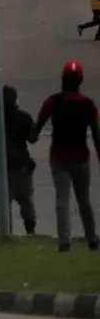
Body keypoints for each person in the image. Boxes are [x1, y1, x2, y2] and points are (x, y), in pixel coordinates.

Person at [32, 61, 100, 252]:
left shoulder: (53, 102)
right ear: (80, 80)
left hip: (59, 157)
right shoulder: (88, 105)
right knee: (84, 200)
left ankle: (64, 240)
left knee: (62, 199)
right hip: (81, 157)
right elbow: (96, 135)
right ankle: (92, 238)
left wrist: (31, 136)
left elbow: (37, 126)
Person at [0, 85, 38, 235]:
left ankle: (6, 231)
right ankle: (30, 229)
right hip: (20, 165)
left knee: (3, 203)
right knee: (26, 199)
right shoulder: (23, 117)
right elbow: (32, 138)